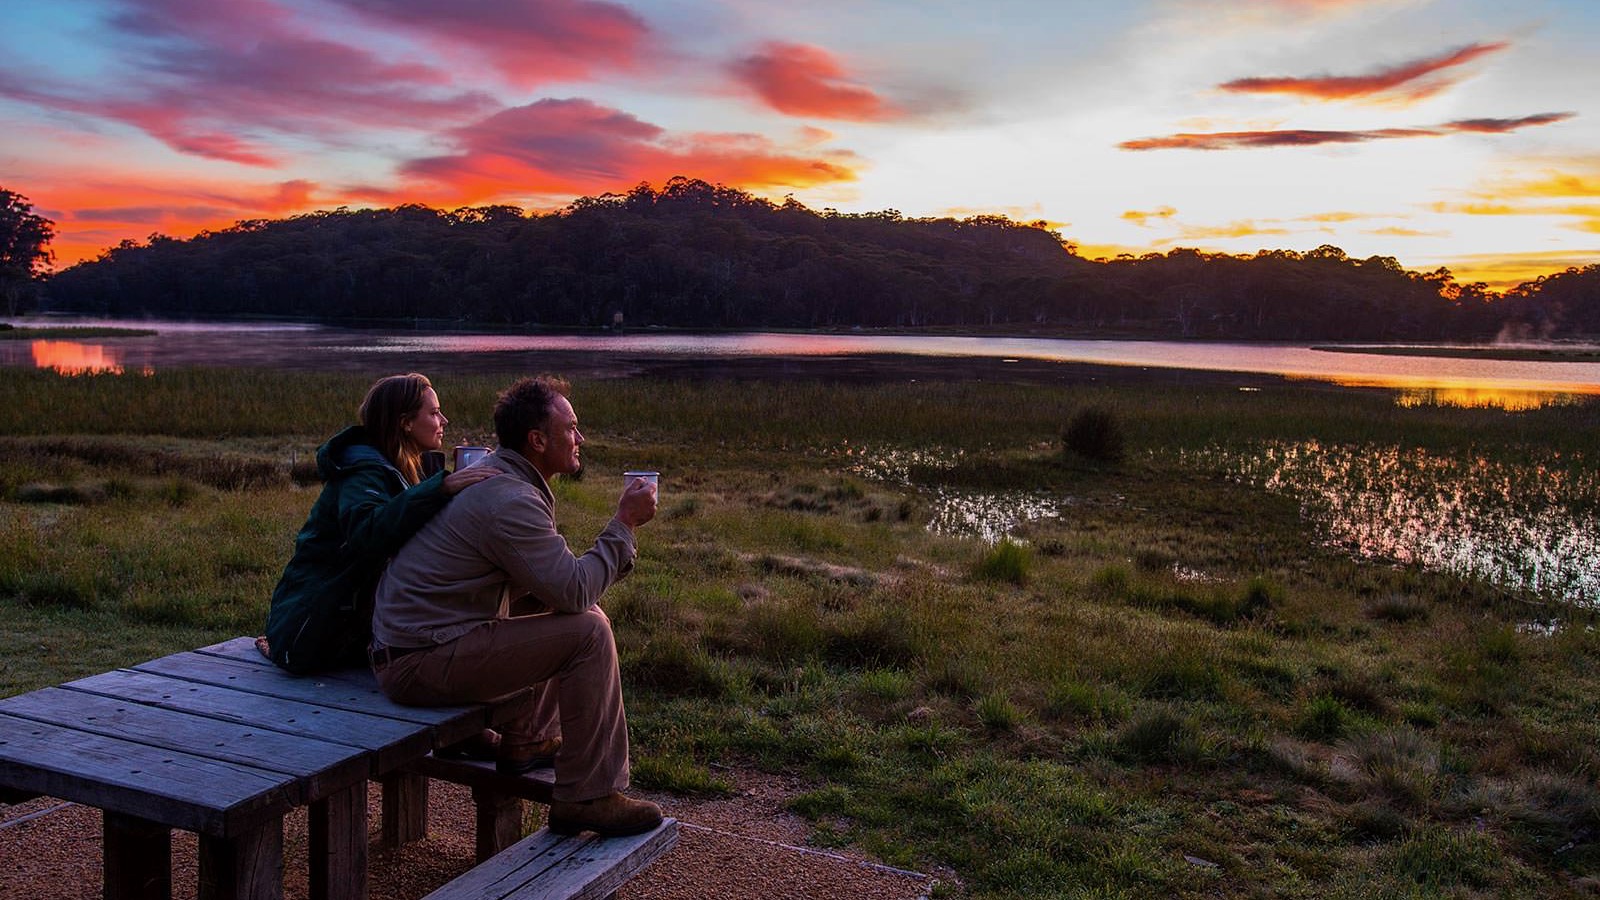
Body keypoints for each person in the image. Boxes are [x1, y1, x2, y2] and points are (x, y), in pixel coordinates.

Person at [370, 374, 663, 837]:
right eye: (571, 429)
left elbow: (554, 589)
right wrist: (624, 524)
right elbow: (574, 590)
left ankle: (527, 740)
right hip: (417, 660)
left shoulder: (502, 480)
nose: (579, 437)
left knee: (568, 613)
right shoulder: (507, 498)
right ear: (537, 440)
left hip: (418, 645)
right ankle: (587, 796)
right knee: (588, 631)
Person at [262, 373, 498, 675]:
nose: (445, 420)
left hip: (350, 626)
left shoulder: (407, 469)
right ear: (406, 422)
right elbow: (367, 534)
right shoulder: (363, 473)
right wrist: (440, 488)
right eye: (434, 412)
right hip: (311, 633)